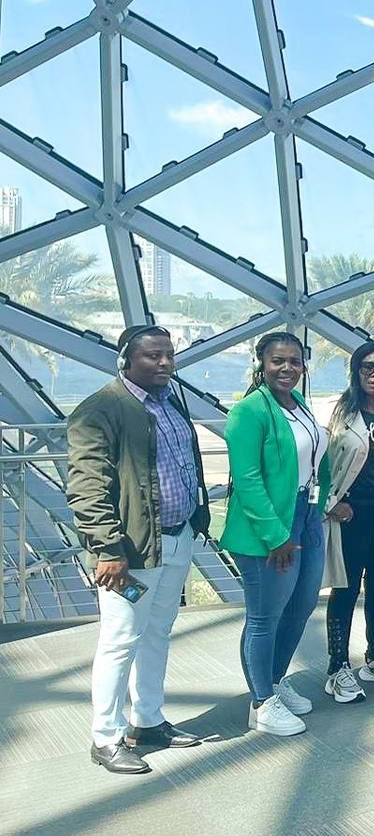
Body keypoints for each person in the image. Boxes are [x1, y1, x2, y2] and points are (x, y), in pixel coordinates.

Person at [68, 326, 210, 772]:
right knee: (120, 639)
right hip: (131, 552)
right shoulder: (101, 410)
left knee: (157, 632)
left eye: (169, 354)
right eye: (152, 356)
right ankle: (106, 737)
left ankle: (147, 720)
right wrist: (109, 550)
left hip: (176, 538)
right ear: (125, 361)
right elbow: (88, 488)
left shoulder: (169, 404)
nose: (164, 363)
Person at [222, 332, 331, 737]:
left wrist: (319, 506)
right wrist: (276, 536)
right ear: (261, 364)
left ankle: (274, 680)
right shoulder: (249, 411)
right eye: (278, 361)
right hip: (268, 528)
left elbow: (316, 461)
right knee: (264, 616)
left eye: (295, 361)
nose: (287, 368)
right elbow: (248, 480)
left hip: (306, 516)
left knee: (301, 606)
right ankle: (261, 703)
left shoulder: (297, 403)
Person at [321, 341, 374, 704]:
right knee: (345, 590)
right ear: (356, 370)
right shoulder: (337, 412)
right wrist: (331, 504)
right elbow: (318, 464)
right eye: (368, 367)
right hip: (353, 515)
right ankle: (338, 665)